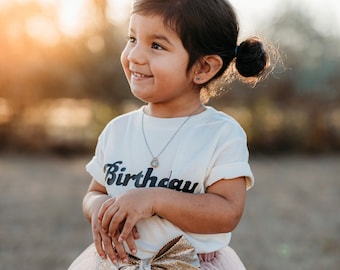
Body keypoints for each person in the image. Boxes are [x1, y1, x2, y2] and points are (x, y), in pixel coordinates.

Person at [69, 0, 275, 269]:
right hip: (117, 263)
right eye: (132, 38)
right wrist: (98, 208)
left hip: (187, 264)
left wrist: (154, 200)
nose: (135, 55)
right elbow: (94, 192)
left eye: (157, 45)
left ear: (203, 68)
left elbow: (227, 211)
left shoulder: (220, 134)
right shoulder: (117, 131)